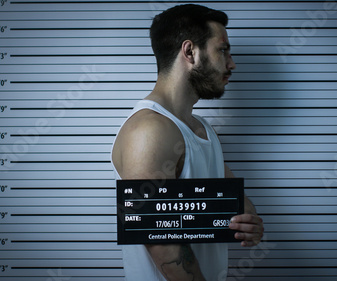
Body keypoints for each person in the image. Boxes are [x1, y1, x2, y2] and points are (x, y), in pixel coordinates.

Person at [111, 4, 264, 281]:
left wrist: (250, 223)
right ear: (190, 52)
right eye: (223, 50)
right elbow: (159, 239)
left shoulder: (203, 129)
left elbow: (236, 204)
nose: (232, 64)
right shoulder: (148, 130)